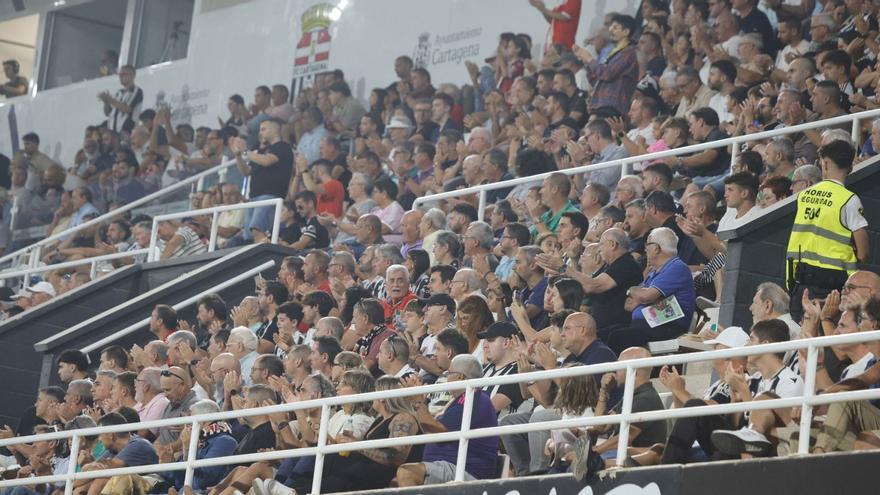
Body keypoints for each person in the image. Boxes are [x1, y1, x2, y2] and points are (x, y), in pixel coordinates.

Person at [787, 140, 869, 321]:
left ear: (824, 163)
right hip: (834, 285)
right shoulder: (849, 200)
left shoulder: (804, 195)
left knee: (803, 337)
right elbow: (863, 253)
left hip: (801, 282)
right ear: (850, 167)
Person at [397, 355, 500, 486]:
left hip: (465, 471)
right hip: (447, 466)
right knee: (394, 480)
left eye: (449, 373)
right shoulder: (463, 399)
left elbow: (439, 431)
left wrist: (418, 401)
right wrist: (418, 401)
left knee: (407, 473)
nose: (446, 377)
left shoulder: (472, 398)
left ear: (460, 377)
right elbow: (430, 432)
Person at [605, 227, 696, 354]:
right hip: (645, 325)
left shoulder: (677, 267)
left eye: (648, 244)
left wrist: (631, 290)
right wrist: (645, 298)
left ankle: (613, 373)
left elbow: (645, 296)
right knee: (603, 334)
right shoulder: (654, 273)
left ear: (656, 248)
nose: (645, 249)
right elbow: (629, 304)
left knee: (617, 337)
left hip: (668, 327)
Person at [229, 118, 294, 243]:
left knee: (257, 230)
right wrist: (238, 155)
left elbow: (267, 161)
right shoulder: (260, 152)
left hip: (270, 195)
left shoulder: (283, 147)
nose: (260, 133)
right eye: (259, 130)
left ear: (274, 129)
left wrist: (245, 151)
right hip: (254, 197)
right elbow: (246, 172)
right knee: (249, 236)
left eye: (263, 129)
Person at [578, 14, 639, 115]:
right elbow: (597, 80)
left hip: (611, 107)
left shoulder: (628, 53)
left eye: (615, 27)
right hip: (602, 105)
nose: (610, 29)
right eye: (611, 26)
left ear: (626, 32)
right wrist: (587, 62)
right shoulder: (616, 51)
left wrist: (589, 59)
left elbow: (607, 74)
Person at [98, 64, 142, 133]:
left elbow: (127, 109)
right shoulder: (118, 93)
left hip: (127, 132)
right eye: (120, 74)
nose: (121, 77)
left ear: (132, 76)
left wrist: (110, 99)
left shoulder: (136, 91)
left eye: (124, 74)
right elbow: (107, 113)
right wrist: (106, 101)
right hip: (113, 132)